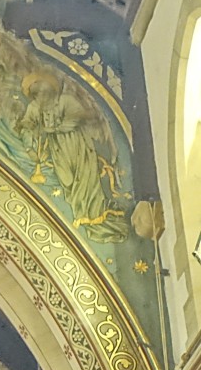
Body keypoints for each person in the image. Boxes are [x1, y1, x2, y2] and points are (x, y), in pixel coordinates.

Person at [17, 71, 128, 243]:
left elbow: (76, 117)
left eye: (45, 92)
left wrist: (54, 129)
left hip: (78, 145)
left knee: (85, 179)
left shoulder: (65, 100)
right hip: (58, 149)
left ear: (51, 90)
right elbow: (26, 126)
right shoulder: (34, 107)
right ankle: (81, 212)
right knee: (67, 180)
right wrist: (29, 146)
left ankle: (93, 217)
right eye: (37, 94)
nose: (42, 97)